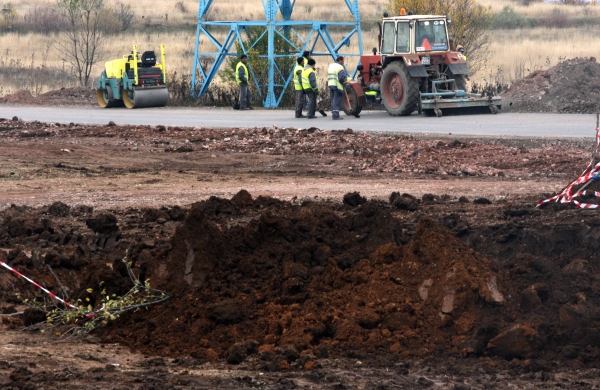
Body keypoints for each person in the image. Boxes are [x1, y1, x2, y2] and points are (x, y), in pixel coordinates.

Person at [327, 56, 348, 120]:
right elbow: (341, 78)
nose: (343, 62)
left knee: (333, 100)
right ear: (340, 60)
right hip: (337, 85)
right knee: (337, 100)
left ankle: (334, 113)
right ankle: (336, 115)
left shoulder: (331, 66)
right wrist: (344, 81)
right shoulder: (339, 67)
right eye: (343, 61)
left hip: (331, 84)